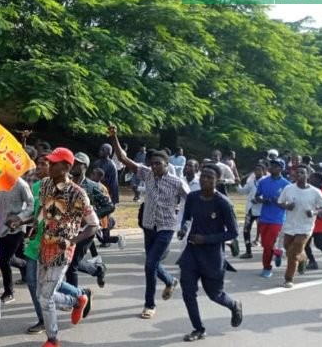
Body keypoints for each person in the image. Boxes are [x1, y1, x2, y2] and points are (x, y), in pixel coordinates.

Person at [109, 125, 189, 319]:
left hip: (166, 227)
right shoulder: (147, 174)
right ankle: (170, 281)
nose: (154, 167)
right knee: (151, 263)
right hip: (148, 225)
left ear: (167, 164)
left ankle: (149, 305)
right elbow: (123, 159)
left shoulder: (177, 182)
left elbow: (192, 200)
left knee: (149, 264)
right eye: (152, 163)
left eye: (158, 164)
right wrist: (114, 137)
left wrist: (186, 222)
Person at [33, 147, 96, 347]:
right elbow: (44, 210)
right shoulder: (45, 185)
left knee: (45, 298)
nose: (49, 166)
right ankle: (78, 300)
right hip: (43, 248)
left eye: (53, 163)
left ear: (66, 167)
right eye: (49, 162)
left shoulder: (78, 194)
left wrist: (71, 241)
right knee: (40, 294)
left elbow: (93, 225)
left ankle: (52, 340)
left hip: (62, 252)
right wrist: (26, 221)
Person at [176, 163, 243, 342]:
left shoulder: (223, 203)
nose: (205, 180)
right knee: (188, 292)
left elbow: (233, 232)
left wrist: (206, 239)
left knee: (215, 295)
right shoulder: (192, 197)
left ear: (218, 181)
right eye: (203, 176)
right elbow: (187, 216)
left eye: (210, 177)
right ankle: (198, 329)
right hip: (191, 253)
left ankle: (234, 305)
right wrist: (183, 228)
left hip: (212, 256)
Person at [276, 165, 322, 288]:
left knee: (293, 253)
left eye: (302, 173)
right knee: (288, 248)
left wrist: (314, 212)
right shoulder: (288, 189)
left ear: (308, 175)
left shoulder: (315, 192)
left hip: (305, 227)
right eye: (297, 172)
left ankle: (288, 279)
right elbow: (280, 202)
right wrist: (287, 206)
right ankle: (303, 258)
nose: (299, 175)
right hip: (290, 225)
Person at [67, 152, 110, 288]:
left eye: (78, 163)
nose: (73, 165)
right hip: (69, 228)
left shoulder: (93, 186)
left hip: (87, 230)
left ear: (85, 166)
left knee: (72, 263)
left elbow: (109, 206)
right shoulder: (66, 183)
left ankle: (74, 298)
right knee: (68, 261)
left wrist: (91, 216)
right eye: (72, 162)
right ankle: (98, 270)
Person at [0, 176, 34, 302]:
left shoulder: (21, 185)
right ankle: (26, 266)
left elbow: (31, 205)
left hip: (16, 229)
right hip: (2, 227)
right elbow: (1, 202)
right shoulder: (1, 181)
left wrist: (18, 218)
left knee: (3, 261)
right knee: (13, 257)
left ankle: (9, 292)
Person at [254, 159, 292, 278]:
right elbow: (257, 196)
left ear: (281, 169)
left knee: (268, 244)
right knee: (266, 244)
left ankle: (267, 268)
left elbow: (290, 204)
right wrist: (261, 200)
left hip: (278, 218)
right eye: (271, 165)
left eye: (276, 166)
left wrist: (278, 202)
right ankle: (278, 252)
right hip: (264, 217)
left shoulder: (286, 184)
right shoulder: (263, 182)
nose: (272, 168)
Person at [237, 164, 266, 259]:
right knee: (246, 231)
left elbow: (268, 194)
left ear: (263, 171)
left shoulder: (266, 182)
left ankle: (268, 250)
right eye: (256, 170)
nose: (257, 172)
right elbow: (243, 191)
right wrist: (238, 184)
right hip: (250, 210)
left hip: (262, 210)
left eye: (259, 170)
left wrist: (259, 199)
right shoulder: (251, 181)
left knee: (264, 232)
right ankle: (248, 251)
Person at [305, 172, 322, 270]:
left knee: (319, 243)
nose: (311, 180)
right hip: (309, 221)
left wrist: (321, 215)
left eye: (314, 179)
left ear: (320, 181)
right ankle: (312, 261)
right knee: (305, 243)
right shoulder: (309, 191)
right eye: (311, 178)